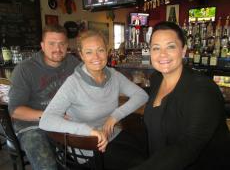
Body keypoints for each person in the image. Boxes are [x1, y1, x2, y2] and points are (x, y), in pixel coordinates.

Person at [39, 30, 149, 169]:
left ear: (107, 52)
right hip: (86, 147)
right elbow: (46, 120)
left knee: (145, 151)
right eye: (89, 52)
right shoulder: (73, 83)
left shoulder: (113, 75)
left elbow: (142, 95)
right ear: (81, 55)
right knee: (139, 164)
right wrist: (89, 131)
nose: (96, 56)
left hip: (110, 135)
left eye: (100, 50)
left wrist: (115, 116)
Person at [129, 21, 230, 170]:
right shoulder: (157, 79)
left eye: (170, 46)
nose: (162, 54)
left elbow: (188, 146)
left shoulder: (203, 90)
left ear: (183, 50)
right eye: (156, 48)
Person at [8, 24, 79, 170]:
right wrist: (49, 115)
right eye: (51, 43)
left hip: (66, 121)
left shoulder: (73, 63)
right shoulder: (25, 69)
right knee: (47, 166)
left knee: (98, 150)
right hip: (32, 126)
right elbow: (15, 110)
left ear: (67, 45)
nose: (57, 49)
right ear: (42, 45)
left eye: (62, 44)